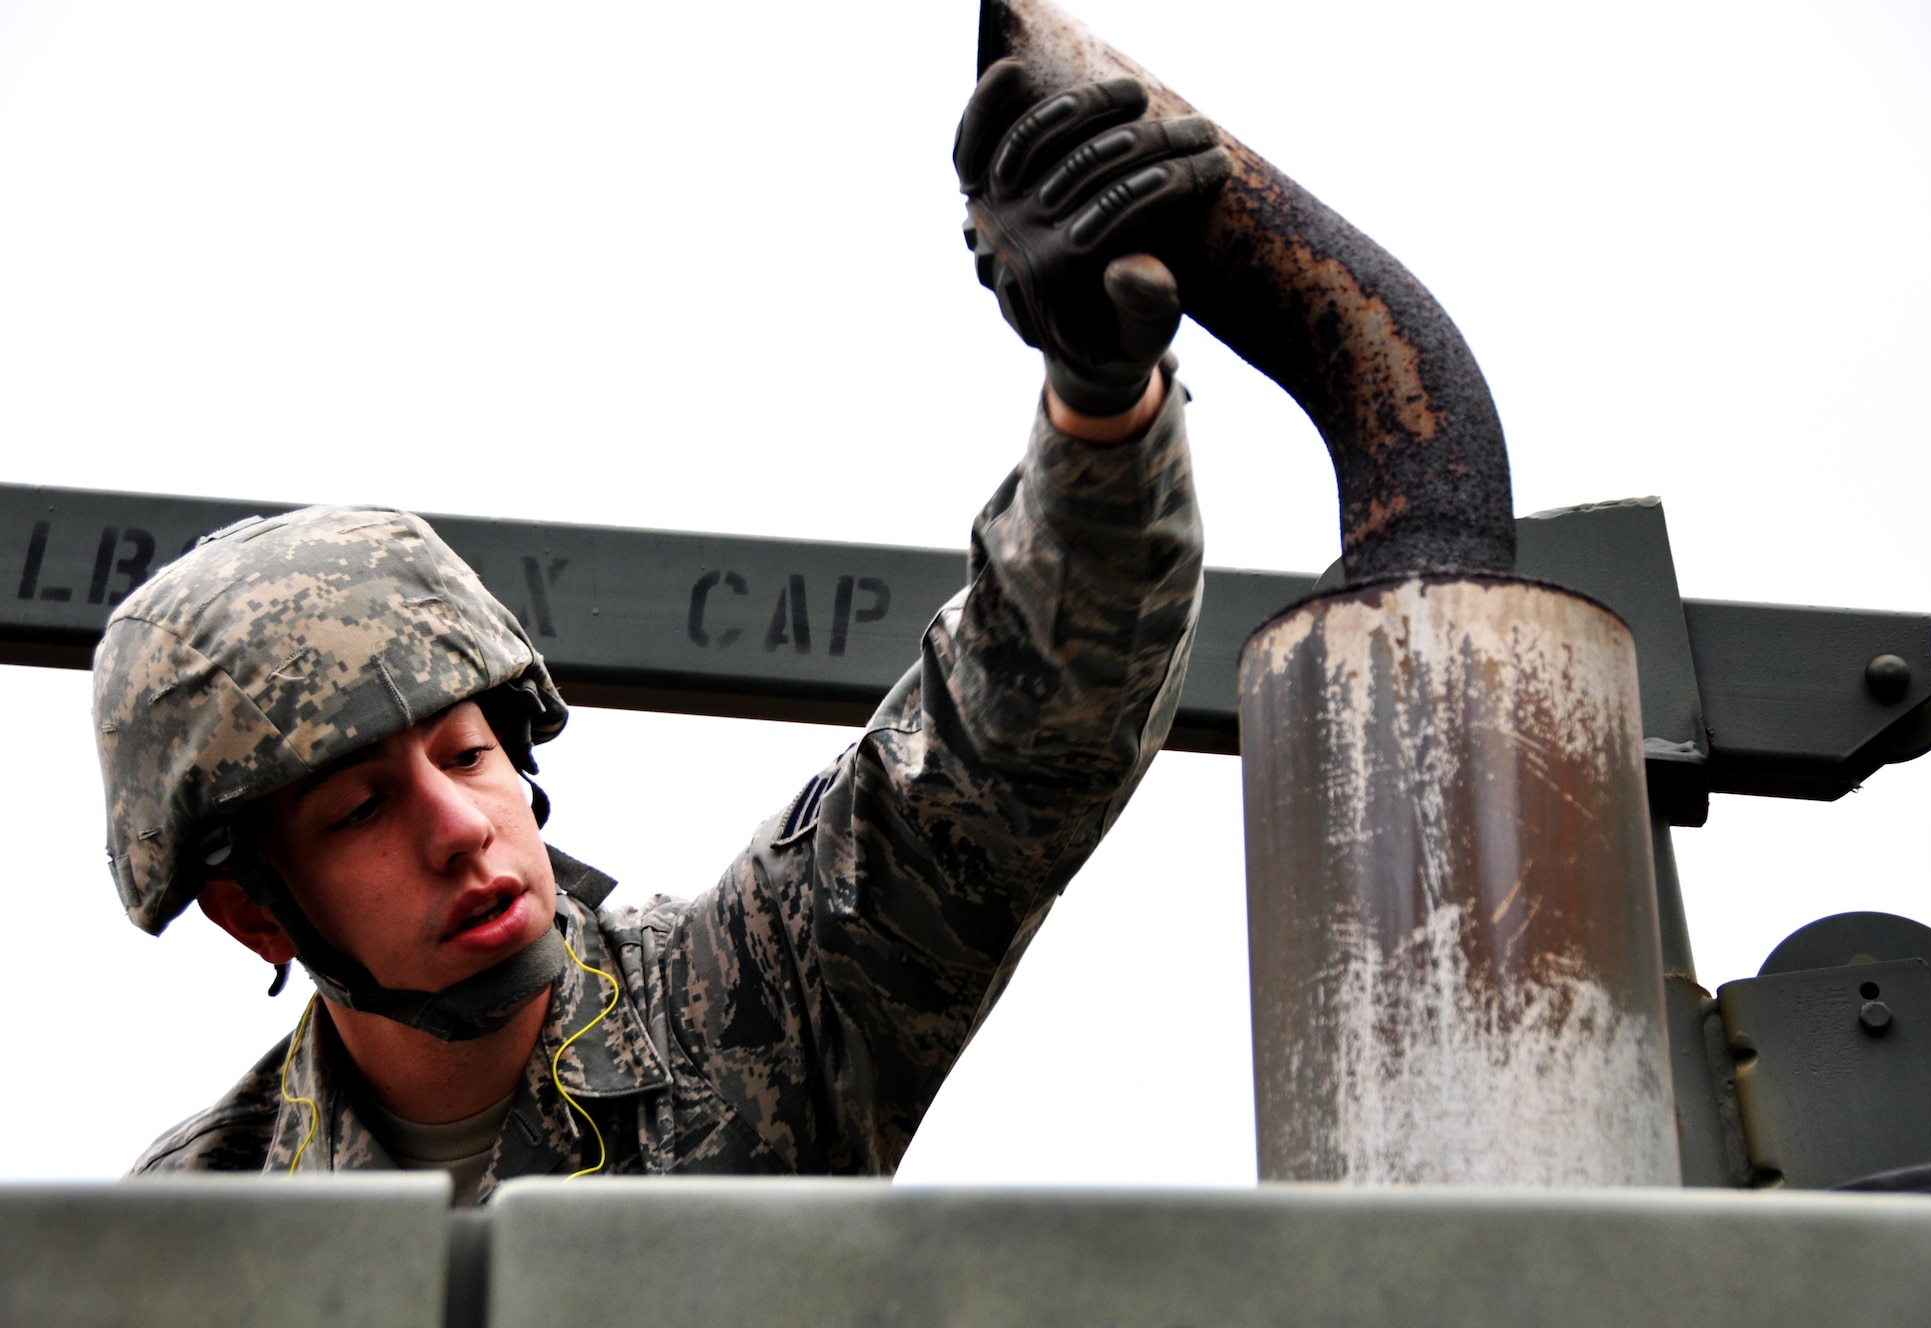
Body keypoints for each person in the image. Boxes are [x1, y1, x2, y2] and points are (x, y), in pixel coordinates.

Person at [98, 63, 1227, 1205]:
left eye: (467, 754)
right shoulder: (194, 1213)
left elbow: (1005, 748)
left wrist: (1097, 404)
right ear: (254, 911)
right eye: (358, 809)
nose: (457, 829)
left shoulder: (747, 997)